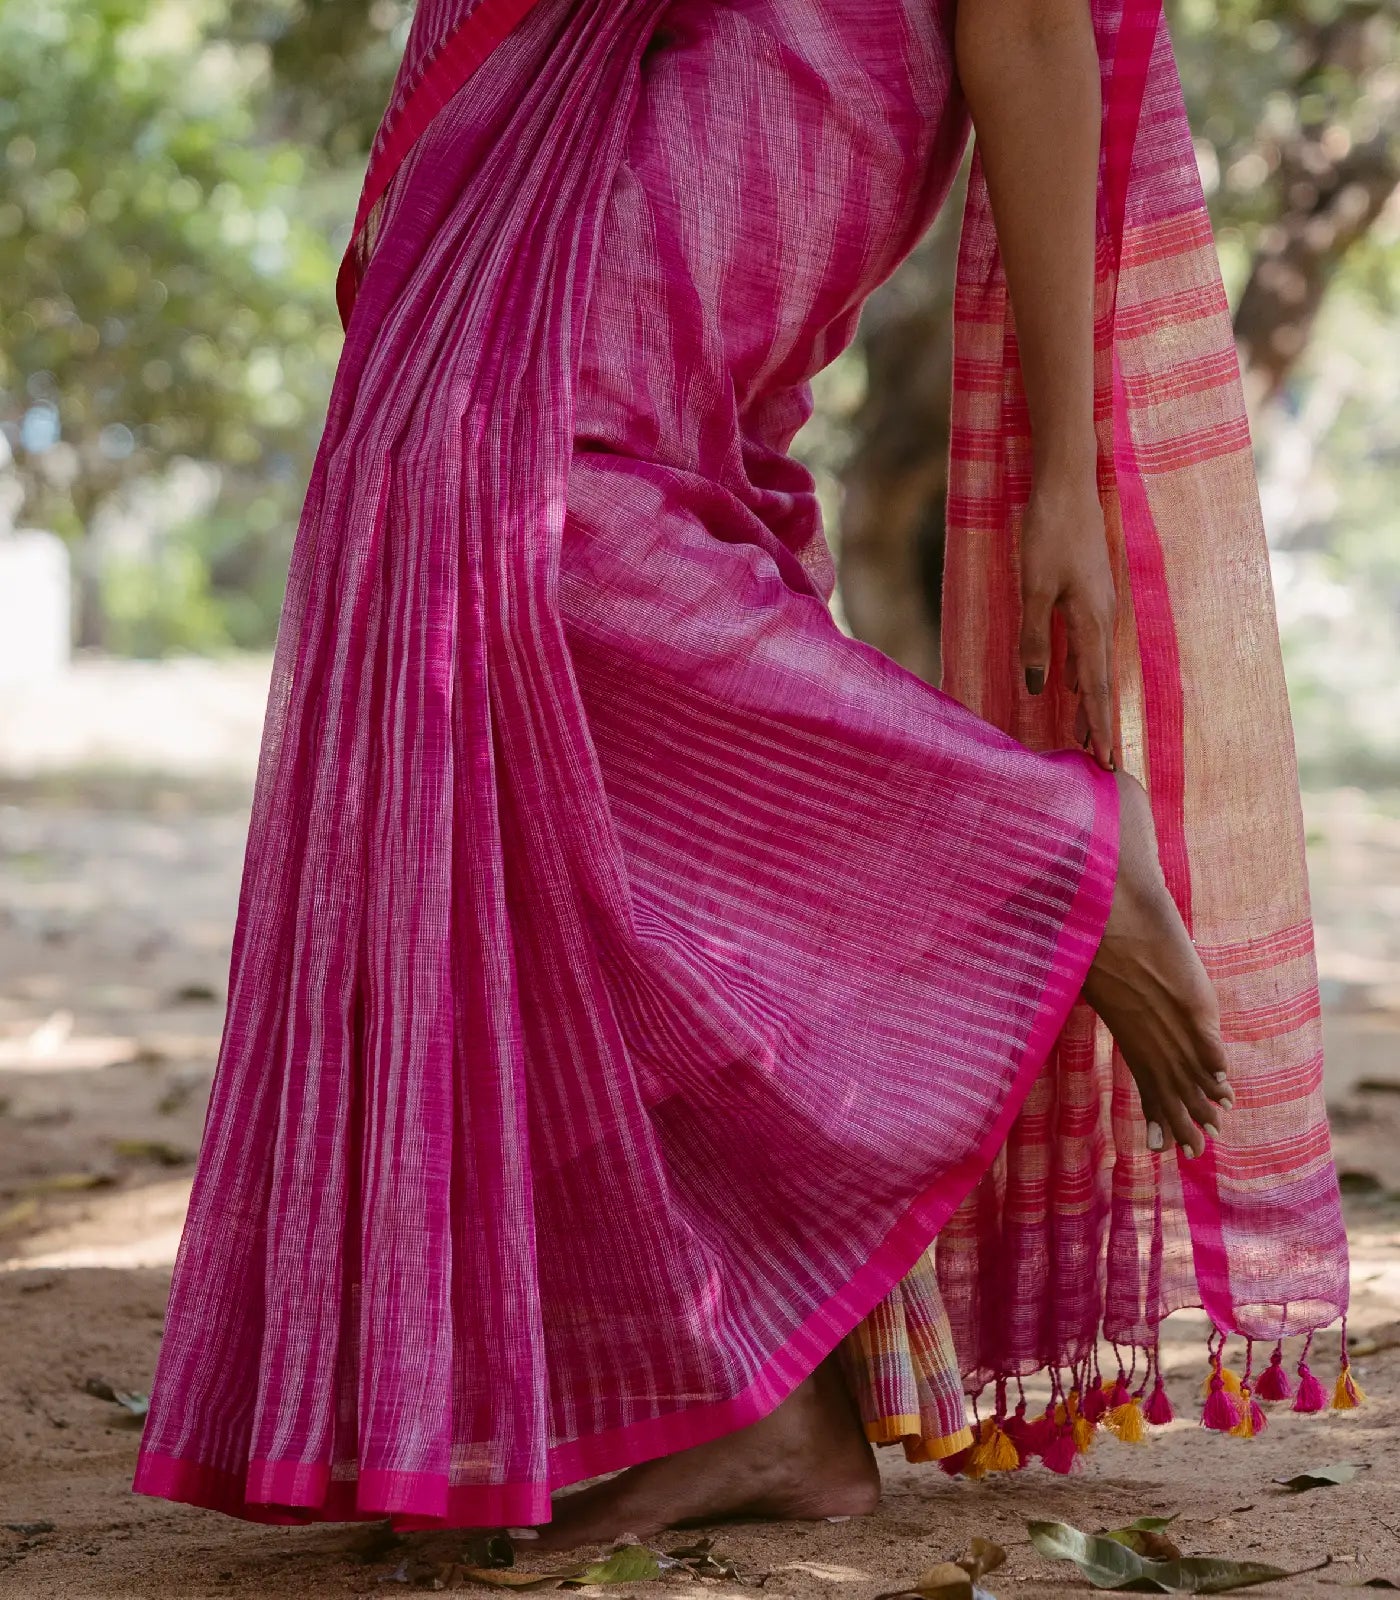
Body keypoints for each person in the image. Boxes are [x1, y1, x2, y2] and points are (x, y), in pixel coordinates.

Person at [132, 0, 1350, 1546]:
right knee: (447, 560)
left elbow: (1039, 20)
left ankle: (1049, 853)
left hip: (807, 39)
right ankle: (778, 1411)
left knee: (535, 493)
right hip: (635, 67)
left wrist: (1067, 465)